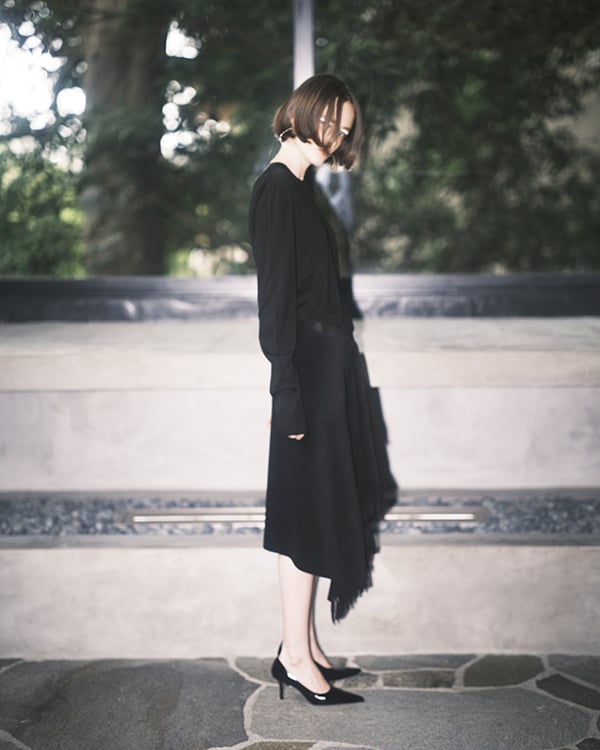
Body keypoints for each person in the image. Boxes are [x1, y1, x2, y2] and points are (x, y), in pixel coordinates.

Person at [248, 73, 391, 706]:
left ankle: (302, 647)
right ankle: (295, 657)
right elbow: (276, 305)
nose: (336, 136)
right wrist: (288, 393)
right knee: (301, 518)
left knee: (309, 511)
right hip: (306, 375)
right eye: (332, 120)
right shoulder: (278, 189)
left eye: (346, 129)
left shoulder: (299, 188)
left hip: (324, 372)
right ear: (304, 111)